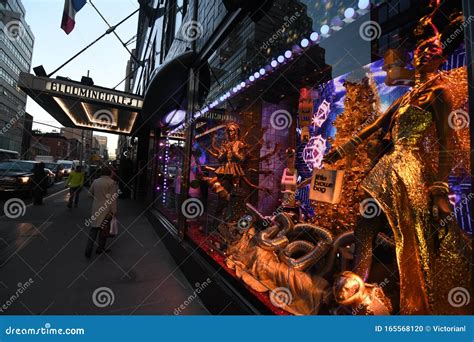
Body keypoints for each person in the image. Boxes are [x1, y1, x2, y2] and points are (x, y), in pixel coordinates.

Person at [84, 167, 118, 258]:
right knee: (104, 229)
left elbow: (89, 194)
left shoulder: (96, 181)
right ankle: (100, 248)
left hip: (96, 208)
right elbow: (112, 199)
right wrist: (114, 211)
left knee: (94, 229)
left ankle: (88, 249)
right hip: (107, 209)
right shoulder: (112, 183)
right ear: (109, 173)